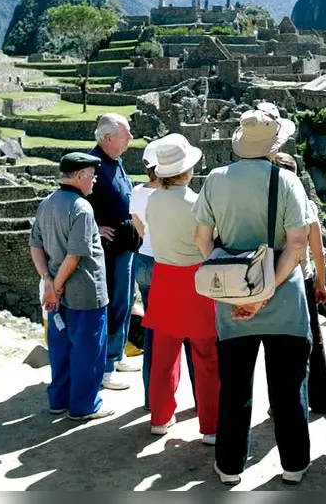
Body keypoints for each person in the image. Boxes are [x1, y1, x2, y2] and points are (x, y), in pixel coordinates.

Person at [193, 107, 313, 486]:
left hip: (232, 301)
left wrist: (231, 284)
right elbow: (296, 245)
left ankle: (229, 467)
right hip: (284, 301)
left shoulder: (215, 179)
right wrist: (266, 292)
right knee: (288, 389)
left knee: (235, 388)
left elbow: (202, 239)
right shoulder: (287, 181)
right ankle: (293, 465)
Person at [143, 134, 220, 444]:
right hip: (195, 281)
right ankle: (210, 426)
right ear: (186, 171)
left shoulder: (152, 200)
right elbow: (207, 241)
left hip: (164, 279)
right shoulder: (195, 202)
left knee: (163, 356)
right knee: (206, 357)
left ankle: (160, 418)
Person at [30, 152, 113, 421]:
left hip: (57, 292)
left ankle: (59, 399)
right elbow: (75, 255)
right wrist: (57, 285)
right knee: (88, 350)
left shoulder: (47, 203)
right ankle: (84, 405)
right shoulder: (81, 207)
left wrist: (48, 281)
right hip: (85, 292)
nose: (95, 180)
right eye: (92, 175)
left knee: (60, 347)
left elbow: (35, 245)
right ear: (79, 177)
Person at [272, 151, 326, 416]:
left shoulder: (266, 202)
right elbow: (317, 250)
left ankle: (278, 402)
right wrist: (321, 282)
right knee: (311, 342)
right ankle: (321, 398)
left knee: (276, 344)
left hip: (270, 279)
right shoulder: (305, 204)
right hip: (299, 279)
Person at [129, 140, 195, 410]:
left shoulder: (138, 193)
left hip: (146, 260)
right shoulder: (186, 198)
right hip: (175, 263)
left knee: (156, 332)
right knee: (193, 333)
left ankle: (152, 400)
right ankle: (201, 398)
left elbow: (140, 228)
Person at [88, 114, 141, 390]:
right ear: (109, 138)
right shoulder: (91, 164)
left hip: (126, 244)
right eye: (126, 133)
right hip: (109, 250)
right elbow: (74, 199)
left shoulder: (114, 162)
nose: (131, 138)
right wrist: (94, 228)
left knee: (125, 300)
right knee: (112, 302)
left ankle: (117, 354)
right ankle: (107, 366)